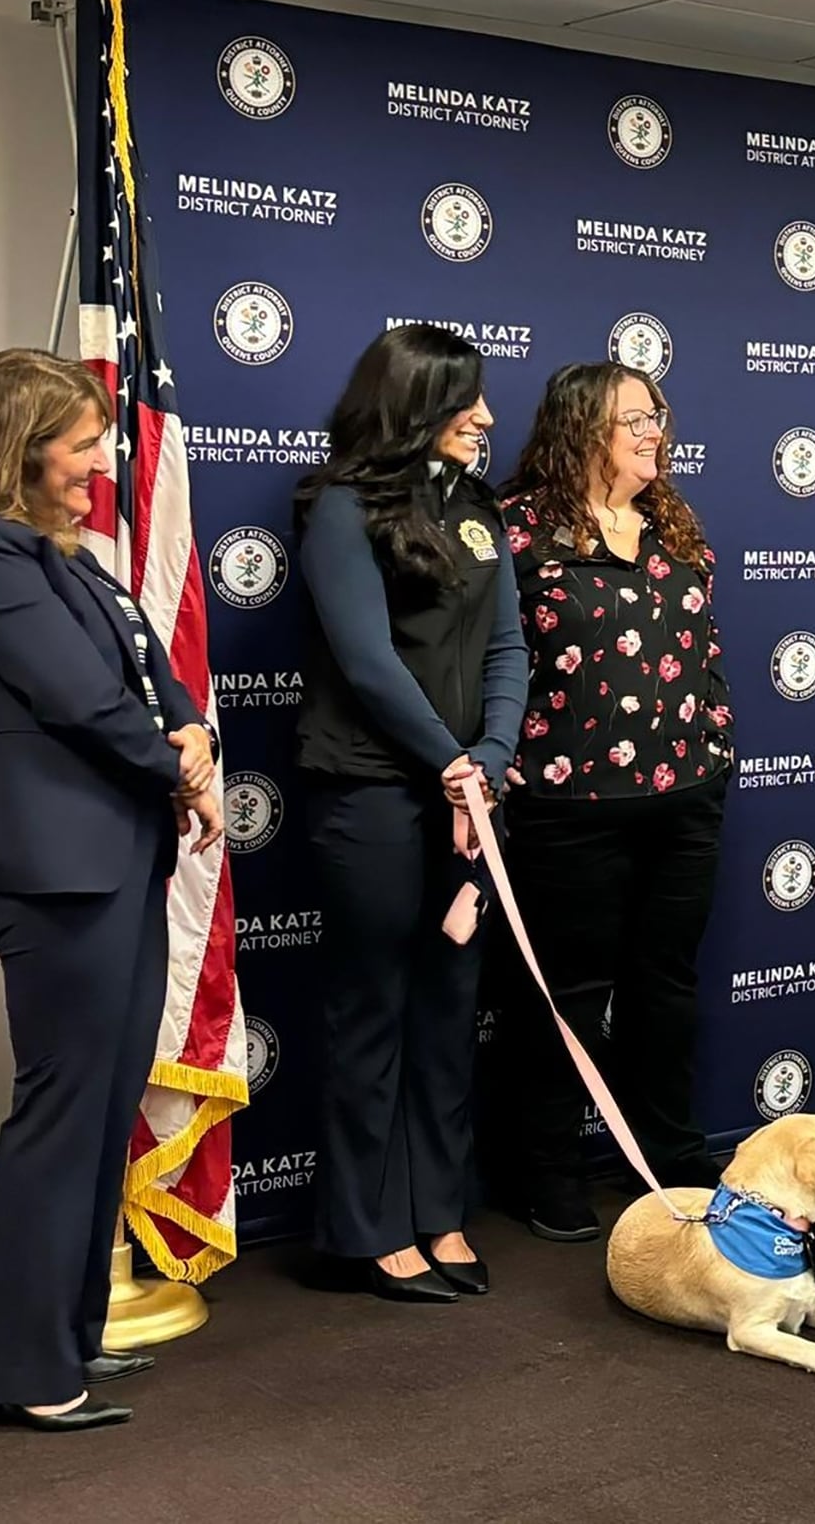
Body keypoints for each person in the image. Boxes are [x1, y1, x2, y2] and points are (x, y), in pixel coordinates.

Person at [0, 348, 223, 1432]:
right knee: (64, 1104)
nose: (104, 460)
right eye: (83, 442)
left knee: (101, 1100)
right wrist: (176, 760)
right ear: (18, 448)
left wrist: (187, 730)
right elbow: (83, 700)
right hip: (54, 868)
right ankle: (20, 1371)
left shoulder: (65, 556)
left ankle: (65, 1334)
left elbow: (146, 669)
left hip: (113, 851)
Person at [293, 325, 528, 1302]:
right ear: (413, 406)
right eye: (462, 400)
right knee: (375, 1009)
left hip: (466, 797)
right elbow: (368, 664)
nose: (483, 417)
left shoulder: (476, 506)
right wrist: (451, 767)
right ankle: (367, 1226)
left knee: (450, 1005)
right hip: (373, 794)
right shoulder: (340, 509)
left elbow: (509, 648)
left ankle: (439, 1209)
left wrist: (490, 759)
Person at [497, 361, 734, 1243]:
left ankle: (671, 1153)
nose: (652, 431)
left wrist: (715, 736)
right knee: (564, 993)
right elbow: (492, 656)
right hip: (570, 804)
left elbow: (707, 650)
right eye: (632, 418)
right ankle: (546, 1170)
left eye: (656, 414)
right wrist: (509, 752)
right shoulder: (519, 531)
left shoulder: (675, 530)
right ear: (580, 431)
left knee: (665, 984)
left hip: (684, 797)